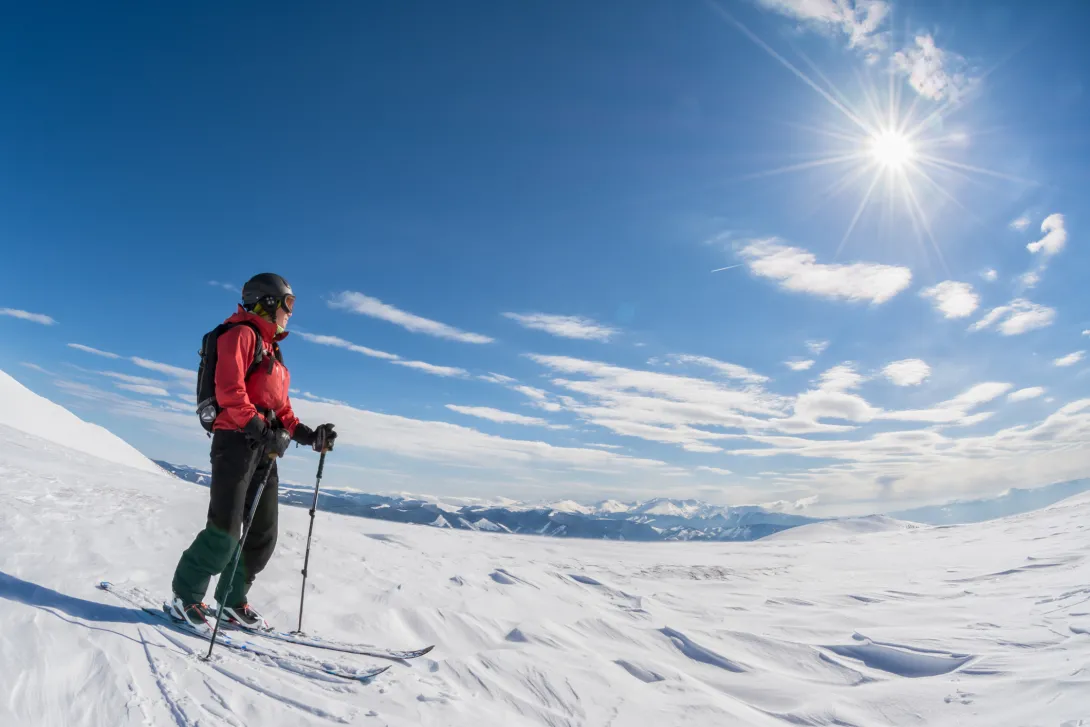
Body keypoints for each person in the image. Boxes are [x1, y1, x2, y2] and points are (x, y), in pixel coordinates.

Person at [170, 272, 337, 631]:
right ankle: (185, 596)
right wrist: (263, 432)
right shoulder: (240, 335)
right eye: (288, 304)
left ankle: (231, 600)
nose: (290, 313)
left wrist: (311, 436)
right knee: (225, 533)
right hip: (234, 443)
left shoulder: (272, 349)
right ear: (268, 302)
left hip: (264, 451)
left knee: (262, 535)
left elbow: (283, 410)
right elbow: (230, 391)